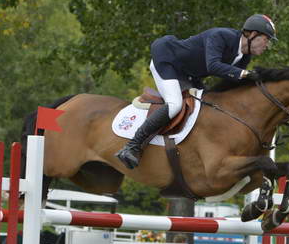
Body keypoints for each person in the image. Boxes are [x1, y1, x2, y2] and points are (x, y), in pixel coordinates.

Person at [116, 14, 277, 169]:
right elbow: (213, 66)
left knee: (209, 106)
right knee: (174, 105)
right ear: (253, 34)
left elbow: (231, 82)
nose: (266, 46)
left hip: (189, 74)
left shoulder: (244, 57)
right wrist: (245, 74)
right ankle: (132, 146)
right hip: (168, 60)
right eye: (266, 39)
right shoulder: (221, 36)